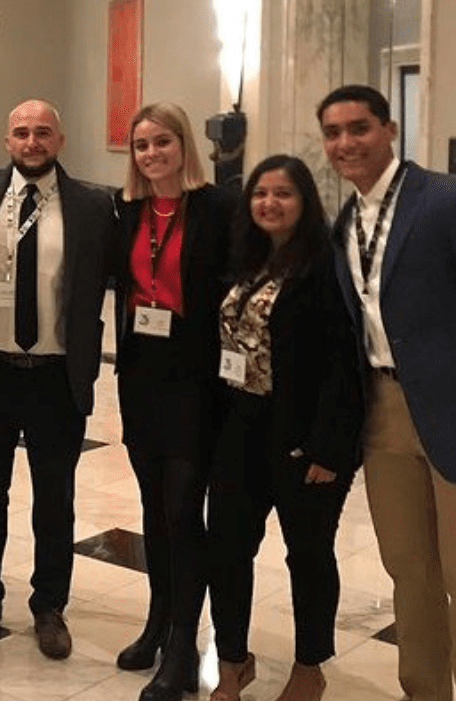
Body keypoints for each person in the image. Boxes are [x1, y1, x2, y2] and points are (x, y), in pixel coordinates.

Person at [0, 99, 115, 659]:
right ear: (6, 140)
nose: (32, 142)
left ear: (60, 140)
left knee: (54, 498)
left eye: (43, 132)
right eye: (21, 132)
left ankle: (49, 606)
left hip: (54, 376)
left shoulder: (93, 205)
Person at [206, 155, 362, 701]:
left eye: (284, 194)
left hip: (302, 436)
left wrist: (329, 446)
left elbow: (345, 363)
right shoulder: (245, 258)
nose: (269, 203)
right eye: (260, 193)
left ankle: (310, 666)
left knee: (309, 552)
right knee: (225, 546)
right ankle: (232, 658)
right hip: (241, 425)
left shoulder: (326, 265)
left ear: (306, 202)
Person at [319, 84, 456, 701]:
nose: (347, 142)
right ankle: (424, 690)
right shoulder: (344, 220)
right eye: (334, 132)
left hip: (450, 406)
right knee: (409, 569)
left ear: (390, 130)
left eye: (360, 127)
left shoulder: (442, 201)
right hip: (383, 411)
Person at [113, 102, 235, 701]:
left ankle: (185, 645)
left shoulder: (217, 209)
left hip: (196, 382)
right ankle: (158, 624)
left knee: (185, 513)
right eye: (141, 145)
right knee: (153, 510)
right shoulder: (129, 209)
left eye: (162, 142)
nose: (152, 153)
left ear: (184, 146)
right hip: (141, 380)